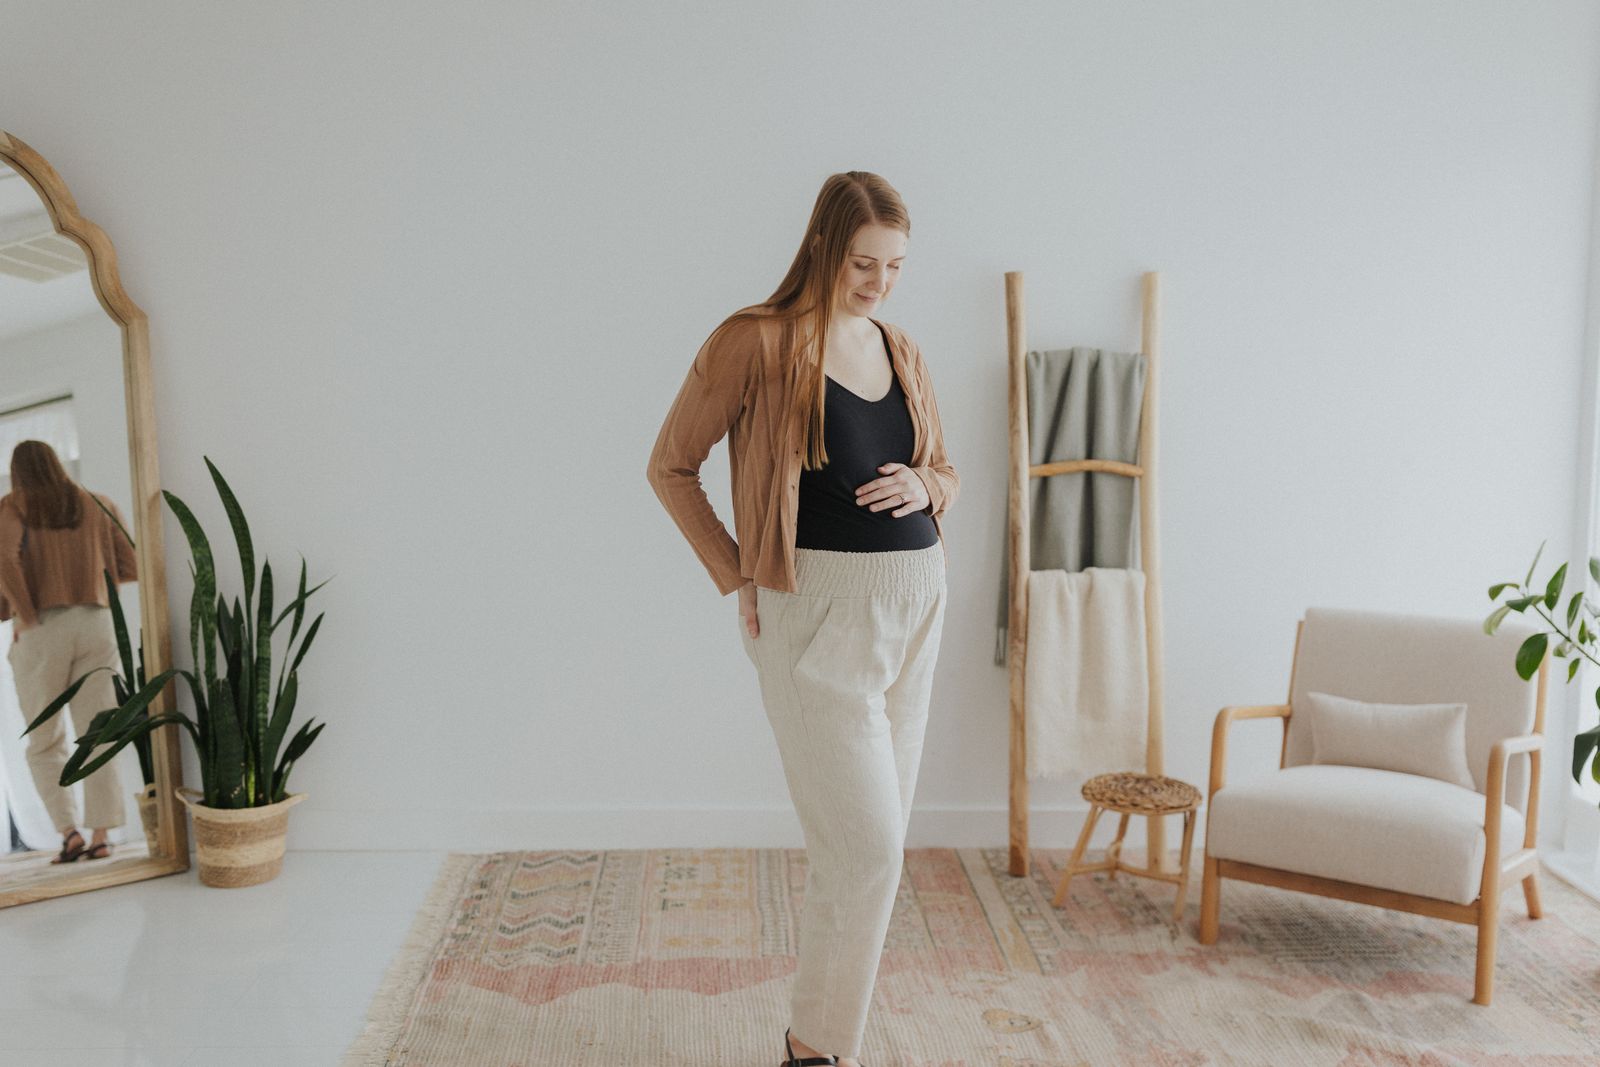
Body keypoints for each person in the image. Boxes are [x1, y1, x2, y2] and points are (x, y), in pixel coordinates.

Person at [646, 171, 959, 1067]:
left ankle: (816, 1045)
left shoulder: (899, 347)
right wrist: (736, 568)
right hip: (818, 618)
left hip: (919, 608)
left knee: (864, 854)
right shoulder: (755, 341)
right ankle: (817, 1052)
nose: (881, 281)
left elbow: (947, 470)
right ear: (825, 246)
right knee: (868, 854)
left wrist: (925, 483)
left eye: (896, 265)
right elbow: (671, 465)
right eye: (865, 261)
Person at [0, 440, 138, 865]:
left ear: (18, 469)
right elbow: (129, 563)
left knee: (44, 740)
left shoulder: (13, 505)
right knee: (98, 732)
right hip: (97, 623)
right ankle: (101, 836)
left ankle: (69, 835)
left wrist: (24, 615)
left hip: (43, 628)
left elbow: (5, 559)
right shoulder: (98, 502)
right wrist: (96, 588)